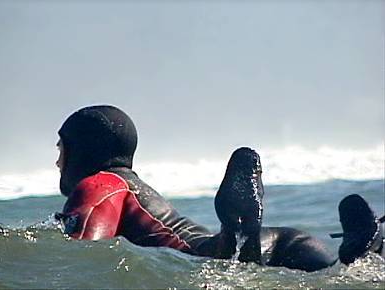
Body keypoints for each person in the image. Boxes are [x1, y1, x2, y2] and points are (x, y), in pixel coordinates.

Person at [54, 105, 383, 272]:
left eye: (61, 150)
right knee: (338, 274)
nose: (57, 163)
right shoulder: (136, 188)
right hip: (287, 240)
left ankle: (234, 238)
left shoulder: (100, 184)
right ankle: (365, 247)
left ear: (79, 151)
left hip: (209, 255)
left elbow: (84, 251)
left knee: (225, 258)